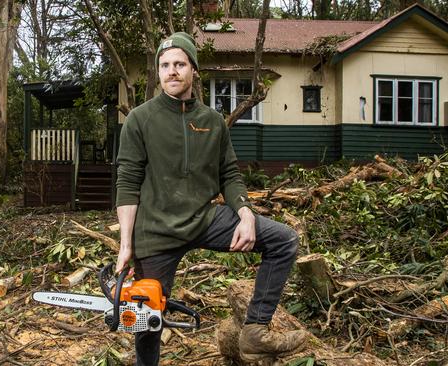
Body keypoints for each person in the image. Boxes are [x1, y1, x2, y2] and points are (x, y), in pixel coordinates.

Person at [115, 31, 309, 366]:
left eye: (179, 64)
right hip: (156, 233)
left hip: (205, 219)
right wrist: (125, 243)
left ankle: (255, 333)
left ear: (193, 70)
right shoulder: (139, 119)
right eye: (164, 65)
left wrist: (245, 212)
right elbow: (128, 183)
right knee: (146, 323)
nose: (171, 71)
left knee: (284, 240)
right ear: (158, 71)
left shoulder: (212, 121)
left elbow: (229, 175)